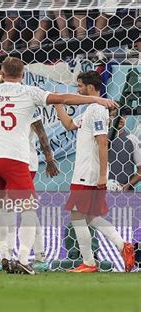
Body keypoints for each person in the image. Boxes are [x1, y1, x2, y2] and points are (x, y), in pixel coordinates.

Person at [0, 57, 119, 275]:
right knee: (28, 209)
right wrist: (96, 99)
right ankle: (24, 258)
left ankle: (4, 254)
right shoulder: (28, 92)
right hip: (14, 158)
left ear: (3, 73)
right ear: (23, 74)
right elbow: (63, 98)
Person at [54, 71, 135, 273]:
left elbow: (102, 142)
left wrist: (101, 175)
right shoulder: (90, 109)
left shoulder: (97, 110)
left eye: (79, 86)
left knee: (77, 215)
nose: (77, 90)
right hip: (86, 170)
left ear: (90, 87)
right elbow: (69, 124)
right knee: (90, 217)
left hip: (89, 172)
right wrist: (57, 104)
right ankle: (123, 246)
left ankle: (89, 263)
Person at [108, 109, 141, 191]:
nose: (120, 118)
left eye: (123, 115)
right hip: (98, 192)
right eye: (115, 115)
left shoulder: (133, 140)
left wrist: (127, 185)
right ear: (107, 117)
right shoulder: (98, 139)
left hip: (124, 195)